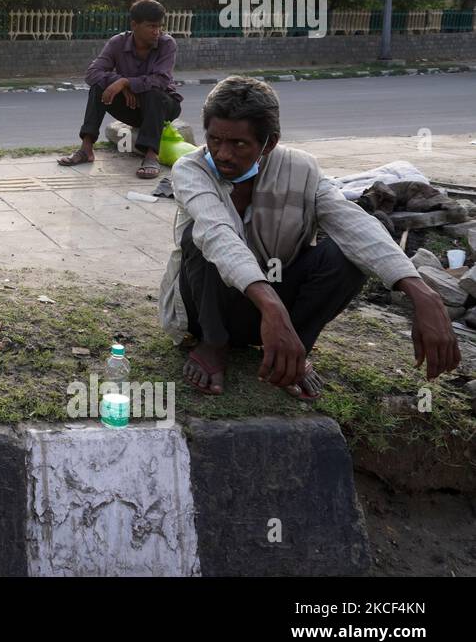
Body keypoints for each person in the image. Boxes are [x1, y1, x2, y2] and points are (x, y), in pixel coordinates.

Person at [160, 75, 459, 399]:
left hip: (272, 314)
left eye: (239, 144)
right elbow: (218, 233)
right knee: (198, 237)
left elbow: (354, 224)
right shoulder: (190, 170)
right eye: (215, 140)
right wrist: (272, 306)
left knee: (346, 255)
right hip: (207, 309)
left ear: (269, 143)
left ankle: (293, 350)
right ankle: (213, 345)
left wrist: (422, 294)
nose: (223, 154)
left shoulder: (300, 171)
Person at [58, 0, 182, 179]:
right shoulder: (117, 42)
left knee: (154, 92)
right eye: (151, 26)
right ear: (134, 25)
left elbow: (161, 80)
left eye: (159, 26)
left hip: (163, 107)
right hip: (133, 108)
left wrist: (126, 83)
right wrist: (118, 81)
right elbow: (92, 73)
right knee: (98, 87)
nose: (157, 32)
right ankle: (86, 148)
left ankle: (151, 155)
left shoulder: (167, 44)